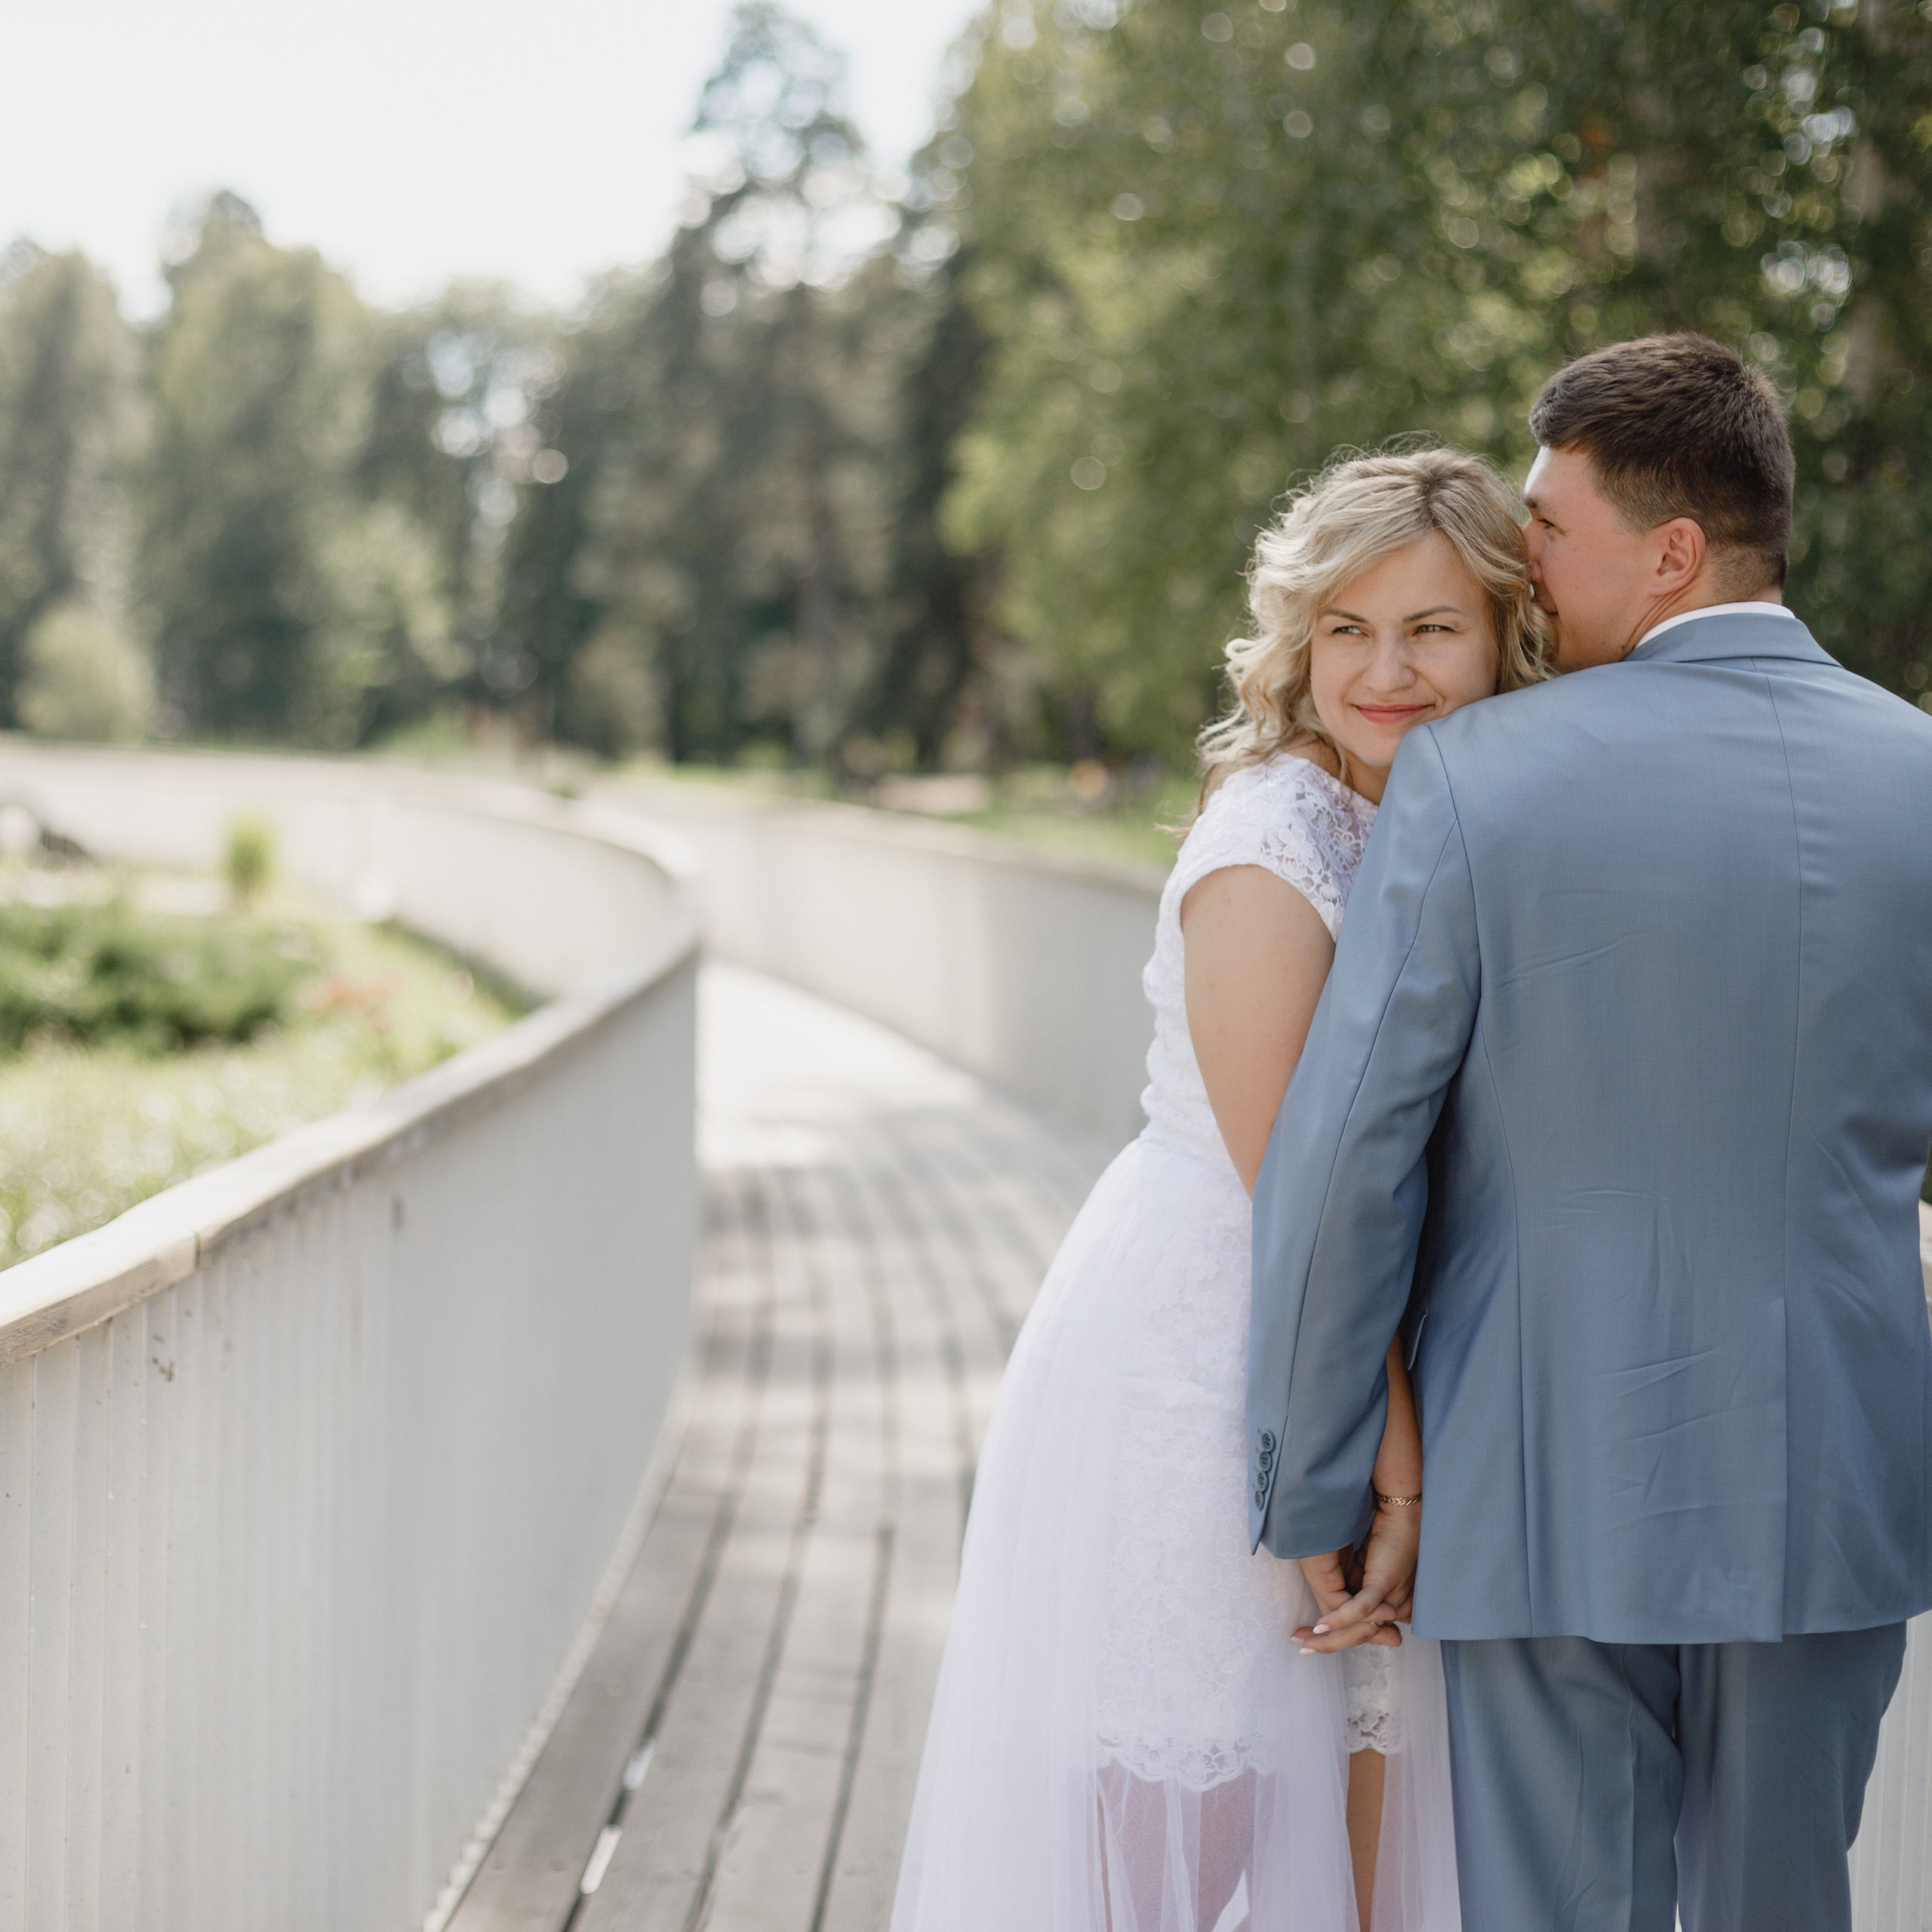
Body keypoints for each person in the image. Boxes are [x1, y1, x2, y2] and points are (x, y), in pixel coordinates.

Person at [1247, 333, 1932, 1932]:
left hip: (1542, 1477)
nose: (1526, 568)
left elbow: (1345, 1156)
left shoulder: (1477, 778)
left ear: (1672, 551)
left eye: (1549, 529)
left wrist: (1314, 1482)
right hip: (1830, 1478)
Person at [892, 448, 1545, 1932]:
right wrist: (1389, 1459)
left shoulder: (1442, 815)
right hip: (1215, 1353)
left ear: (1501, 635)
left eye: (1429, 628)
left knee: (1365, 1798)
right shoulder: (1270, 843)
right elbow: (1296, 1199)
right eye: (1344, 628)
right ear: (1296, 640)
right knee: (1191, 1825)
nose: (1382, 668)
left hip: (1366, 1337)